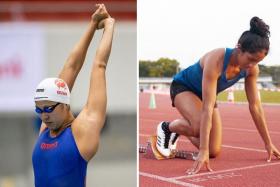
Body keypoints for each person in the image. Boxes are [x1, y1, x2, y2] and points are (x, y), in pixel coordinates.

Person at [156, 16, 280, 175]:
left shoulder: (251, 70)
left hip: (207, 95)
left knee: (213, 151)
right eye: (250, 59)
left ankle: (179, 130)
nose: (251, 65)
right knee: (198, 128)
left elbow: (255, 106)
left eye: (257, 62)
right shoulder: (217, 59)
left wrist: (268, 143)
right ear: (239, 47)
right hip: (184, 87)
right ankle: (167, 127)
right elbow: (207, 107)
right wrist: (202, 150)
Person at [32, 4, 115, 187]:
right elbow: (72, 65)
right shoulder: (45, 129)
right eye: (39, 109)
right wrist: (93, 24)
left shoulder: (82, 132)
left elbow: (99, 64)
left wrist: (108, 26)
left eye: (48, 109)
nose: (44, 115)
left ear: (65, 104)